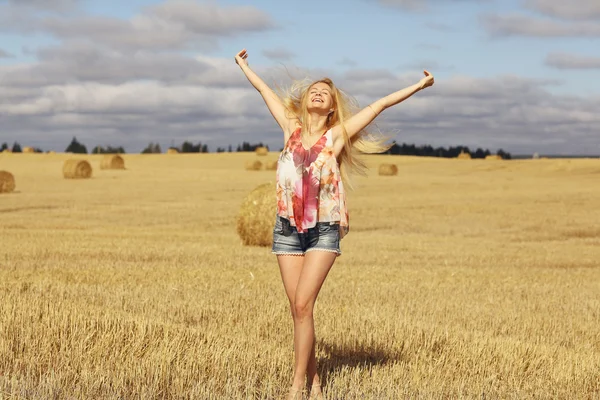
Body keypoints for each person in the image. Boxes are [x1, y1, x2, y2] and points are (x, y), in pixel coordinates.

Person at [235, 48, 434, 400]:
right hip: (286, 229)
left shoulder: (337, 135)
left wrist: (418, 86)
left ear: (331, 108)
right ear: (305, 101)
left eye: (325, 92)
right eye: (314, 89)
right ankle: (315, 381)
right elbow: (265, 91)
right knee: (299, 310)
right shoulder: (290, 127)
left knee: (302, 305)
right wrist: (244, 66)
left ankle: (296, 386)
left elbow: (379, 105)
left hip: (323, 229)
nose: (318, 92)